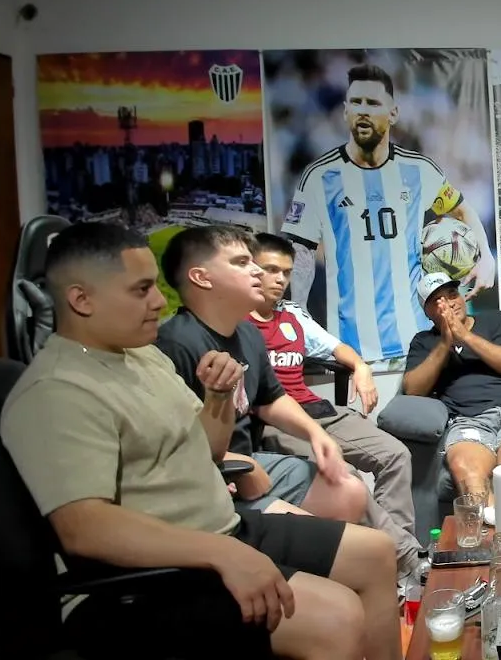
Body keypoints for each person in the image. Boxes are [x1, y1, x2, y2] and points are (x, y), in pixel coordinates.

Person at [1, 222, 400, 660]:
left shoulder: (142, 356)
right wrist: (221, 553)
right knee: (337, 616)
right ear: (82, 300)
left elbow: (208, 450)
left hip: (219, 528)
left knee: (377, 552)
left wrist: (218, 396)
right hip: (144, 577)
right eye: (141, 290)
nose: (159, 301)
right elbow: (84, 529)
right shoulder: (57, 389)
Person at [282, 63, 497, 364]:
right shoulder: (319, 176)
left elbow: (463, 210)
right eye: (356, 102)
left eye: (372, 103)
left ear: (393, 113)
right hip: (351, 346)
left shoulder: (419, 170)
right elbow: (300, 248)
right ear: (345, 112)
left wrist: (486, 258)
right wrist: (297, 312)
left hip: (418, 339)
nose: (363, 110)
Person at [155, 225, 368, 524]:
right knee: (348, 541)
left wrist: (316, 434)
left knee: (350, 491)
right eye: (242, 263)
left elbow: (272, 399)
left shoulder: (247, 333)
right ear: (201, 277)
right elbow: (167, 444)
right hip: (203, 475)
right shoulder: (174, 344)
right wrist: (233, 463)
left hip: (246, 461)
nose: (257, 271)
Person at [246, 232, 421, 569]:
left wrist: (361, 367)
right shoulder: (239, 322)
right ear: (251, 270)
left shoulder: (292, 315)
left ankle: (399, 562)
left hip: (318, 410)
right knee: (345, 474)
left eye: (286, 272)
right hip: (277, 420)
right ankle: (406, 559)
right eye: (271, 270)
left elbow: (336, 348)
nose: (280, 279)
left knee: (395, 455)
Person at [403, 272, 501, 503]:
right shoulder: (424, 341)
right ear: (427, 312)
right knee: (469, 475)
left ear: (461, 297)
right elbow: (413, 390)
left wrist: (465, 337)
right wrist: (445, 343)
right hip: (467, 420)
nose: (449, 303)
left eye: (452, 295)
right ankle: (490, 527)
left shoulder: (495, 320)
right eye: (438, 301)